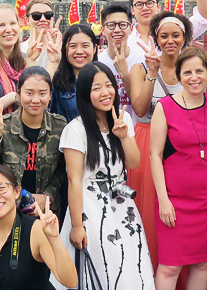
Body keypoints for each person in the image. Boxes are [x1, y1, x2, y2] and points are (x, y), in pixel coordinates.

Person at [56, 62, 154, 289]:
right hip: (90, 210)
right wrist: (77, 225)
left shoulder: (123, 120)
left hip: (122, 208)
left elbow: (134, 162)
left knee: (129, 268)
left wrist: (123, 136)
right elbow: (74, 180)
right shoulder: (75, 129)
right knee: (100, 269)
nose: (105, 92)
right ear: (85, 93)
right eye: (96, 88)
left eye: (108, 85)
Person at [149, 47, 207, 290]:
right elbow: (155, 154)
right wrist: (163, 200)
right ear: (179, 75)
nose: (194, 77)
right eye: (188, 72)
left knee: (203, 263)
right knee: (170, 266)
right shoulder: (165, 106)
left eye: (199, 71)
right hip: (174, 199)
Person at [127, 11, 192, 273]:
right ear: (155, 38)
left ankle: (179, 274)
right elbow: (140, 109)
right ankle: (148, 274)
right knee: (150, 211)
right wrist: (152, 72)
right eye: (163, 36)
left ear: (185, 37)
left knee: (181, 212)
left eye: (175, 35)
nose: (170, 41)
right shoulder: (140, 68)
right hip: (146, 140)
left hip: (183, 145)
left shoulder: (192, 67)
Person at [0, 66, 68, 219]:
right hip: (7, 211)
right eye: (29, 93)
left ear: (50, 95)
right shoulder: (4, 125)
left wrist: (46, 196)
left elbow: (61, 171)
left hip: (45, 213)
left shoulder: (59, 126)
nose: (35, 100)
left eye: (42, 93)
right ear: (18, 94)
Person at [0, 164, 78, 290]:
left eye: (1, 188)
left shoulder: (36, 229)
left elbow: (70, 281)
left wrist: (54, 238)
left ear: (17, 192)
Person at [0, 3, 61, 117]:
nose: (8, 29)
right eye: (1, 25)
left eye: (12, 24)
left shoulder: (25, 58)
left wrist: (53, 62)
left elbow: (38, 89)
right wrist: (12, 97)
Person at [97, 3, 144, 112]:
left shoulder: (142, 60)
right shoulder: (97, 62)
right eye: (111, 25)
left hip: (135, 126)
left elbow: (142, 106)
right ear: (103, 30)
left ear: (131, 29)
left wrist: (124, 73)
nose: (117, 30)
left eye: (122, 24)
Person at [50, 23, 98, 122]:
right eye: (73, 46)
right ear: (65, 49)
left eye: (85, 46)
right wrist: (53, 62)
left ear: (94, 48)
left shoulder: (103, 78)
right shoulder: (57, 82)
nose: (79, 51)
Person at [21, 0, 61, 68]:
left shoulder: (63, 48)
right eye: (36, 16)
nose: (43, 19)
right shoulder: (19, 50)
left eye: (48, 15)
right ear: (27, 20)